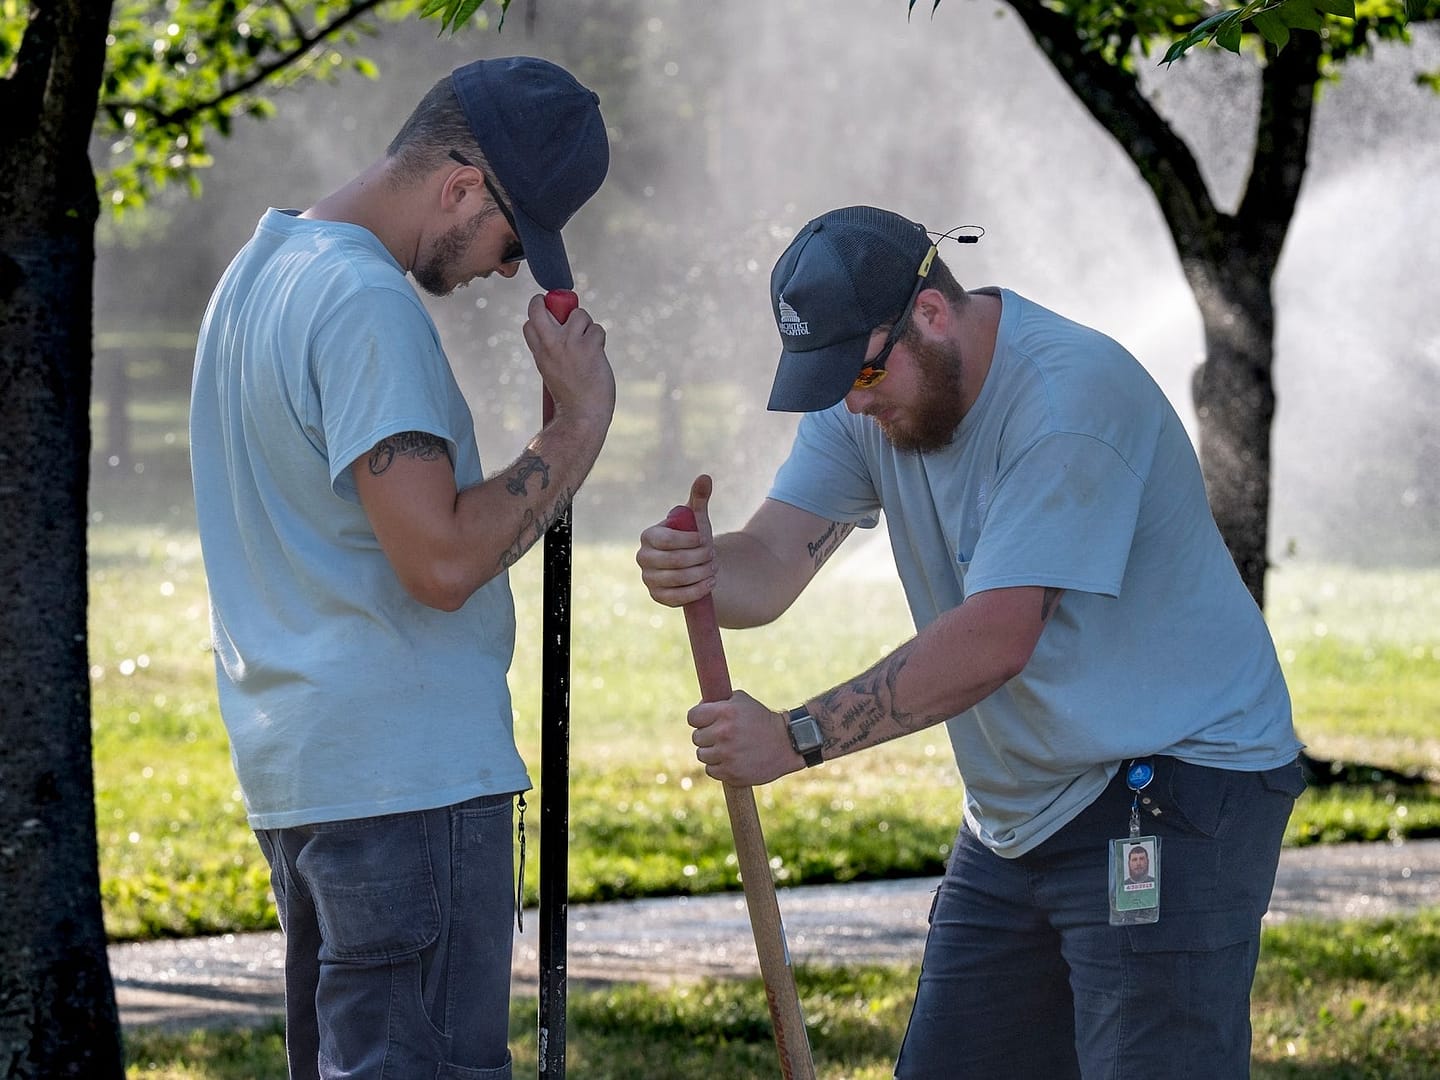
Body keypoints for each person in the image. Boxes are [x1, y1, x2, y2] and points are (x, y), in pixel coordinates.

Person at [635, 205, 1306, 1078]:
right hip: (1021, 811)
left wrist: (797, 736)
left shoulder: (1068, 402)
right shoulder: (867, 397)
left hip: (1175, 783)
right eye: (837, 381)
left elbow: (995, 638)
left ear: (932, 312)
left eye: (865, 375)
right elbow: (766, 564)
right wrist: (698, 567)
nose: (854, 402)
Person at [189, 57, 614, 1079]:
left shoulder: (259, 275)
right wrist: (577, 430)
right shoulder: (365, 305)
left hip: (311, 782)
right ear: (463, 185)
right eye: (517, 241)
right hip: (405, 788)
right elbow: (439, 560)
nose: (510, 270)